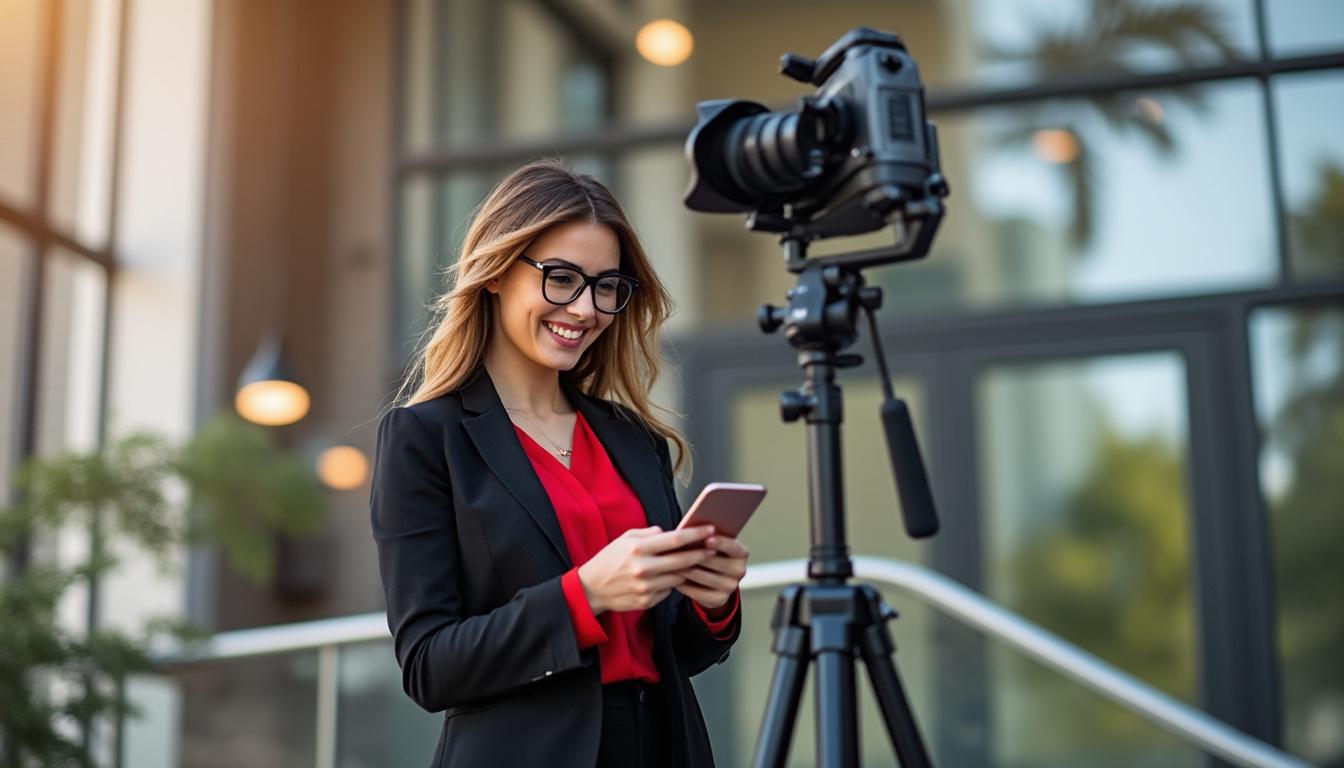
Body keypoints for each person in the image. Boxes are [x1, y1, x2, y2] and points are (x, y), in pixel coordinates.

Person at [369, 159, 749, 767]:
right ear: (495, 273)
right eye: (562, 277)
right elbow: (428, 665)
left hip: (661, 747)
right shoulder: (425, 438)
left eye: (606, 287)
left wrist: (712, 600)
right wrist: (585, 595)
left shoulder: (632, 440)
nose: (584, 308)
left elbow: (677, 649)